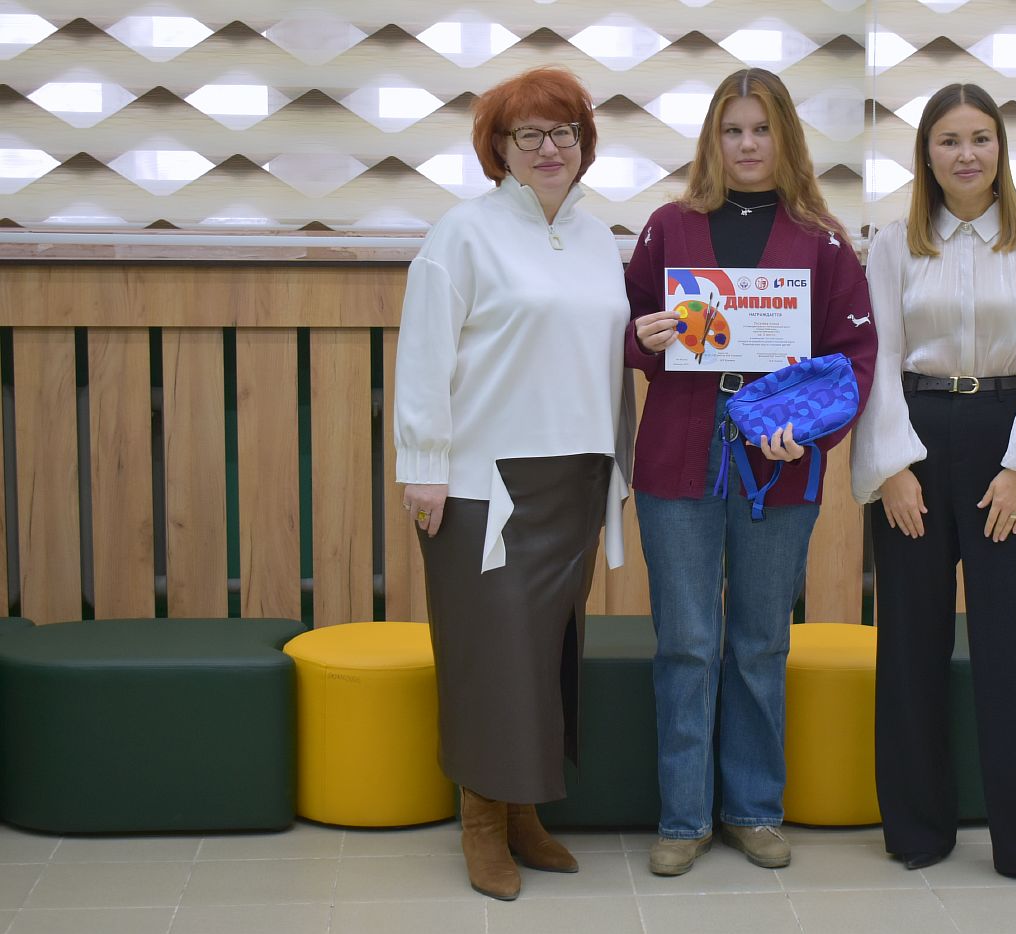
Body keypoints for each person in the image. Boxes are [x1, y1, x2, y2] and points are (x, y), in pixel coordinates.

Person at [625, 67, 877, 877]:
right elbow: (625, 329)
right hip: (679, 454)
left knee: (761, 641)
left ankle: (753, 810)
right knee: (688, 642)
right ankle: (683, 817)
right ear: (712, 139)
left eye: (761, 129)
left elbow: (855, 358)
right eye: (732, 130)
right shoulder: (669, 228)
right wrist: (646, 339)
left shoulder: (823, 241)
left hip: (780, 464)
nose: (746, 144)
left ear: (786, 138)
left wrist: (809, 431)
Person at [394, 66, 633, 901]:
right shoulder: (462, 234)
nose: (548, 148)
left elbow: (606, 356)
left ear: (584, 143)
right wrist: (424, 467)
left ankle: (525, 811)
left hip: (574, 481)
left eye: (563, 132)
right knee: (488, 658)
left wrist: (619, 462)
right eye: (527, 134)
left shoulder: (600, 239)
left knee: (544, 659)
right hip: (482, 487)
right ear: (498, 147)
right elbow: (424, 353)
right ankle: (481, 822)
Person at [850, 82, 1016, 893]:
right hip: (915, 439)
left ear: (1000, 149)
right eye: (949, 140)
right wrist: (891, 465)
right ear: (926, 153)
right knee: (910, 642)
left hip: (1006, 440)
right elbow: (879, 358)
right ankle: (918, 830)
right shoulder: (894, 244)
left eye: (980, 138)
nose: (966, 154)